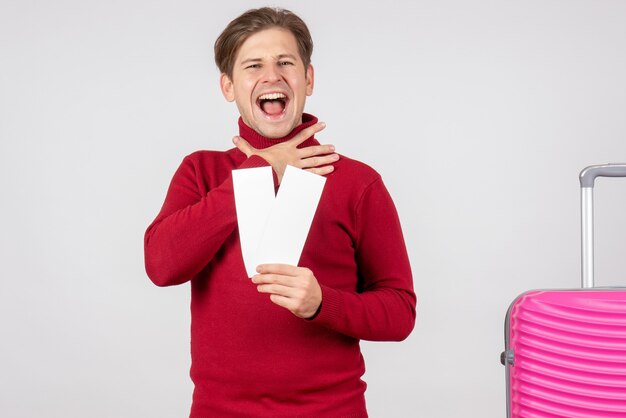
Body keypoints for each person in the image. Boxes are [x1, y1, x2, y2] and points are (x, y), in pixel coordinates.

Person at [144, 7, 416, 418]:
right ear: (229, 86)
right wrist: (262, 167)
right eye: (253, 65)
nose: (271, 76)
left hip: (332, 410)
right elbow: (162, 266)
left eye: (285, 62)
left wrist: (324, 303)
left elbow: (400, 313)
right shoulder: (202, 171)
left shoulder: (358, 183)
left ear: (308, 78)